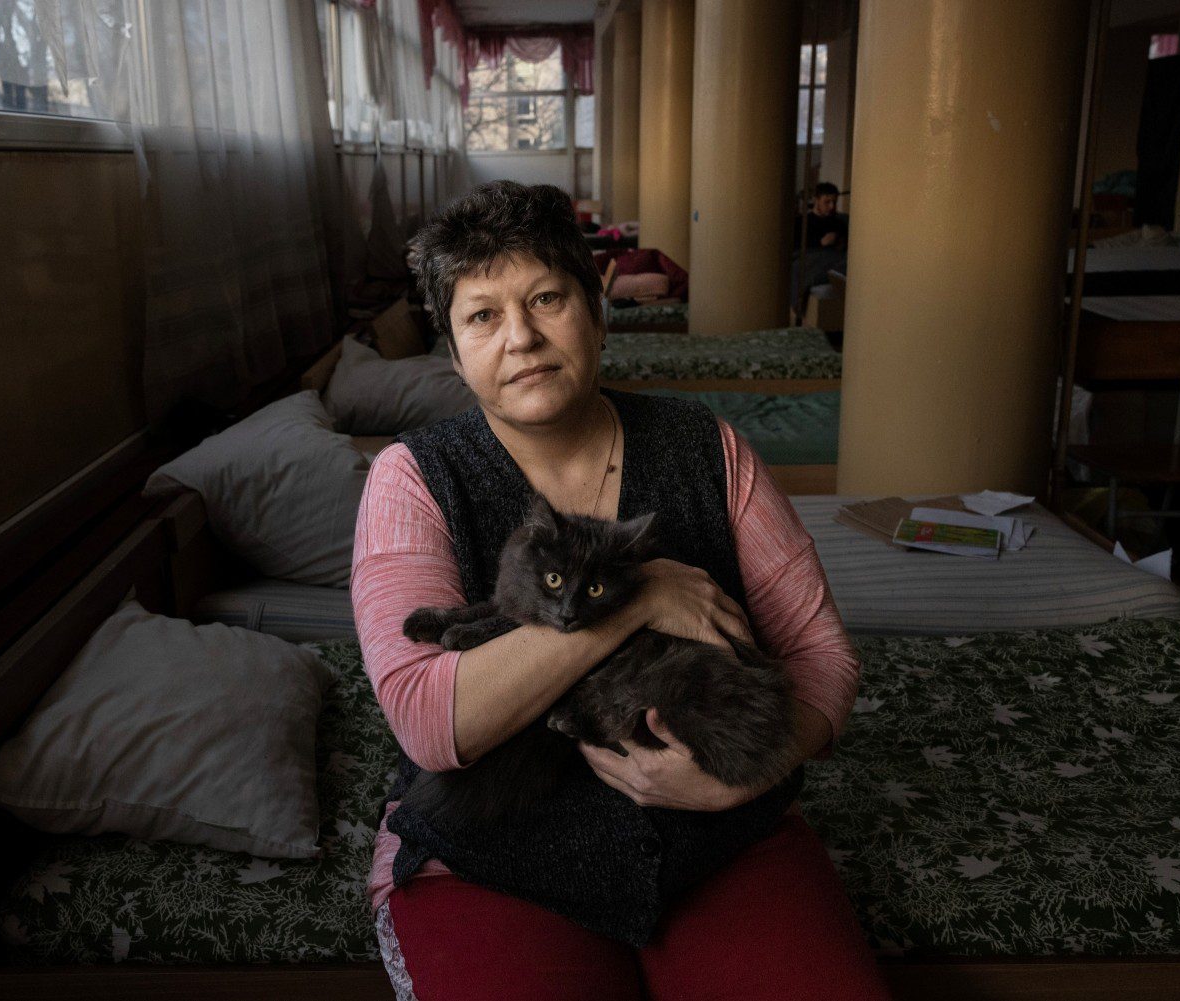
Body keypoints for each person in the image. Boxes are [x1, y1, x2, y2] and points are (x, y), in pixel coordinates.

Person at [349, 180, 888, 1001]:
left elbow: (824, 656)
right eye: (482, 316)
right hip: (491, 857)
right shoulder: (413, 478)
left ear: (597, 312)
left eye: (546, 298)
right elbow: (430, 720)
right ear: (454, 354)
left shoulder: (709, 449)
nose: (521, 336)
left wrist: (745, 777)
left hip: (720, 835)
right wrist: (639, 599)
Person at [794, 180, 849, 320]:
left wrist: (840, 242)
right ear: (816, 200)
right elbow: (795, 247)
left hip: (836, 256)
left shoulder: (838, 222)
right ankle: (835, 274)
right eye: (827, 202)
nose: (831, 206)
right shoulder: (802, 222)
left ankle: (837, 274)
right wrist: (820, 242)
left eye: (834, 202)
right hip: (812, 255)